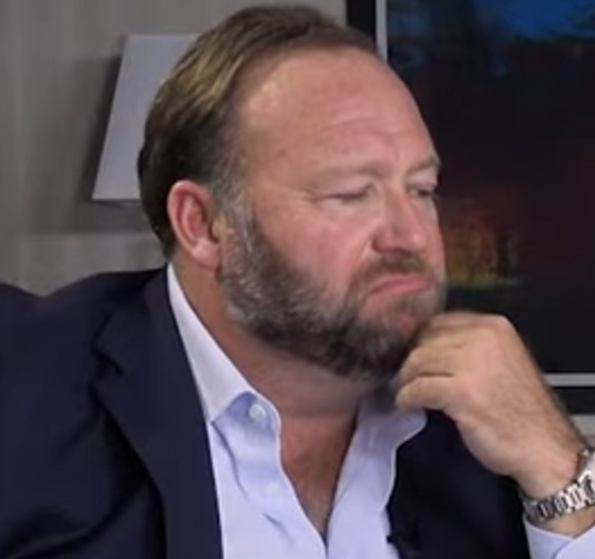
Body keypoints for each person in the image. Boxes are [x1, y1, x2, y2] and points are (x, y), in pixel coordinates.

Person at [0, 6, 593, 559]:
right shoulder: (27, 386)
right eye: (351, 195)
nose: (412, 236)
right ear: (203, 225)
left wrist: (557, 468)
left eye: (422, 190)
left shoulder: (480, 428)